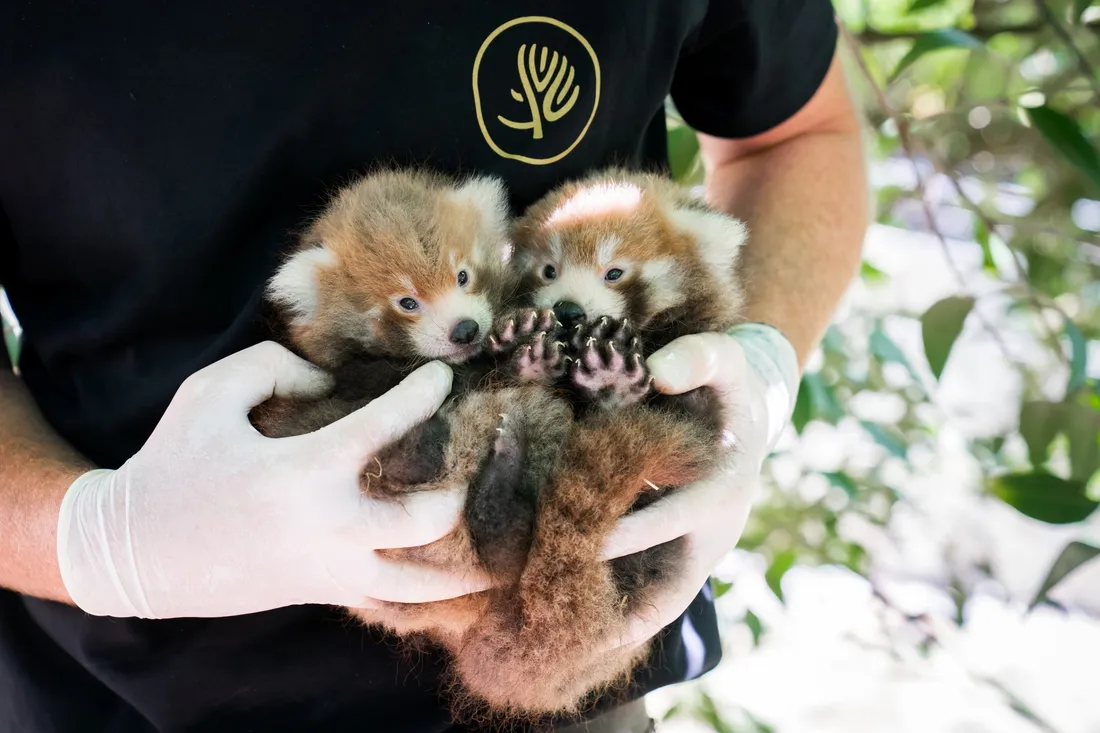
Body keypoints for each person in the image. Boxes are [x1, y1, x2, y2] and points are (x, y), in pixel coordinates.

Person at [0, 2, 868, 731]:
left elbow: (797, 135)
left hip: (571, 655)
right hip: (121, 694)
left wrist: (754, 364)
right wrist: (101, 540)